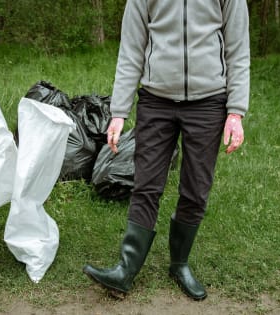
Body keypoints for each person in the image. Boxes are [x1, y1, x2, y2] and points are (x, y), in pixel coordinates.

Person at [83, 0, 249, 301]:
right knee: (146, 185)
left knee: (196, 189)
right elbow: (131, 49)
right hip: (156, 101)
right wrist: (119, 112)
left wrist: (235, 112)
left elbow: (238, 49)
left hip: (208, 102)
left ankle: (180, 264)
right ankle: (125, 270)